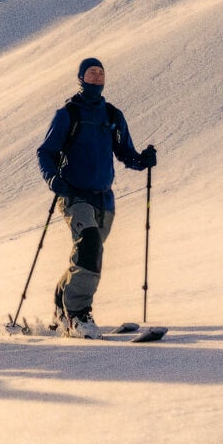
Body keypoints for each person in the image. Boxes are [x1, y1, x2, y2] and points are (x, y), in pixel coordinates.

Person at [34, 57, 153, 339]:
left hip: (104, 198)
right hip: (75, 195)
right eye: (91, 73)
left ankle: (60, 307)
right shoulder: (68, 113)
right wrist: (53, 179)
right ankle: (78, 315)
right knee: (89, 248)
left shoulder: (112, 115)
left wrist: (143, 160)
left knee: (86, 254)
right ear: (81, 77)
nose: (97, 77)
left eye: (100, 73)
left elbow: (125, 152)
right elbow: (45, 152)